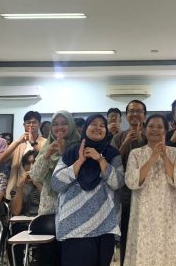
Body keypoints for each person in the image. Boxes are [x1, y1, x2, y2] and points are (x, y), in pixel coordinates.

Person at [52, 114, 124, 266]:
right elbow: (56, 184)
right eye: (93, 124)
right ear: (86, 128)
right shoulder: (71, 152)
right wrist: (79, 161)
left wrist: (100, 160)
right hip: (74, 226)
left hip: (105, 224)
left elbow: (117, 183)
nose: (98, 127)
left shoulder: (112, 154)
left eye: (102, 125)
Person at [124, 114, 176, 266]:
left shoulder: (174, 152)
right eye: (151, 126)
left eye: (160, 127)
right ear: (144, 130)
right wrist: (152, 158)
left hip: (170, 212)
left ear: (166, 131)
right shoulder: (136, 153)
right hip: (143, 213)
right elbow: (131, 181)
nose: (155, 130)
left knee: (170, 252)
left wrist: (164, 156)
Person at [111, 100, 148, 263]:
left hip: (147, 190)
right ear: (126, 115)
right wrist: (125, 143)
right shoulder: (118, 137)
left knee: (146, 230)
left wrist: (142, 140)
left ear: (144, 115)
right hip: (125, 191)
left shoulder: (150, 134)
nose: (135, 114)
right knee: (126, 230)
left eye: (139, 111)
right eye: (131, 111)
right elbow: (111, 162)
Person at [30, 110, 82, 215]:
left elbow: (77, 176)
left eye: (64, 123)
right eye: (55, 124)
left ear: (71, 125)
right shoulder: (47, 146)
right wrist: (47, 154)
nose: (59, 127)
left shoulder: (80, 146)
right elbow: (35, 176)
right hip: (49, 207)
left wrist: (63, 152)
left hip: (73, 206)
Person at [0, 110, 46, 200]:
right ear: (24, 125)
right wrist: (17, 141)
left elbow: (46, 159)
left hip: (39, 187)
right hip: (17, 185)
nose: (31, 125)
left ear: (39, 124)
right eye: (28, 123)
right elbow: (2, 159)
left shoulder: (45, 142)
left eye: (34, 122)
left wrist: (32, 142)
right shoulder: (17, 142)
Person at [9, 150, 40, 266]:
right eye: (28, 163)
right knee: (13, 237)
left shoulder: (48, 183)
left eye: (34, 162)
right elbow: (15, 211)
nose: (31, 166)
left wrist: (37, 182)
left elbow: (51, 203)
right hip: (24, 224)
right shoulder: (18, 185)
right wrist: (20, 187)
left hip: (42, 222)